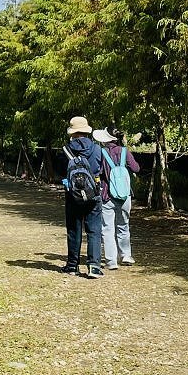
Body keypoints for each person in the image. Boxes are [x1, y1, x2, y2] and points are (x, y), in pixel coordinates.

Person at [62, 116, 103, 278]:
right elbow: (101, 169)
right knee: (94, 230)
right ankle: (94, 267)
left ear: (72, 132)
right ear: (86, 131)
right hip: (94, 194)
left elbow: (61, 172)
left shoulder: (65, 149)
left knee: (74, 229)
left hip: (73, 195)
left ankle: (72, 266)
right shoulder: (97, 148)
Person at [93, 127, 140, 270]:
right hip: (125, 195)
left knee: (107, 229)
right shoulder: (125, 151)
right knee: (123, 226)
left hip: (107, 195)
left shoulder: (101, 153)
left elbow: (97, 171)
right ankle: (126, 255)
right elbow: (136, 168)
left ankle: (111, 261)